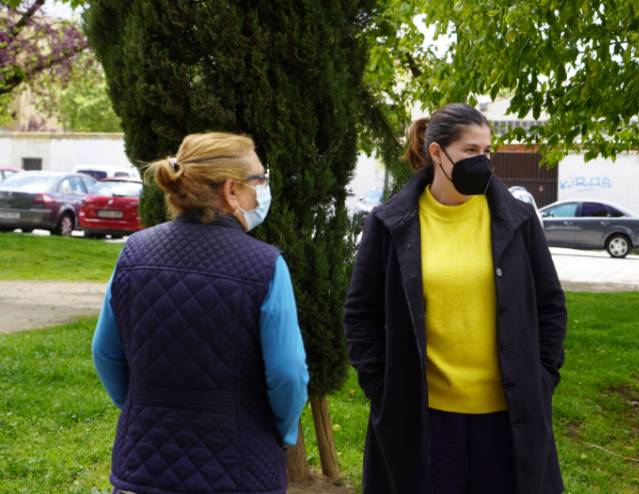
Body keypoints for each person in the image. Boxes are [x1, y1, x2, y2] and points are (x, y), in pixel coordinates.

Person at [344, 104, 567, 494]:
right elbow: (361, 314)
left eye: (487, 151)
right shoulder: (390, 223)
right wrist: (382, 387)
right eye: (470, 150)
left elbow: (550, 304)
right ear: (437, 153)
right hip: (426, 418)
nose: (483, 161)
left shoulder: (517, 219)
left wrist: (543, 377)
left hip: (507, 417)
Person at [92, 132, 309, 494]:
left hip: (143, 464)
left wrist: (139, 407)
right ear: (231, 190)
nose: (264, 189)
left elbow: (105, 352)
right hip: (239, 466)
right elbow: (287, 373)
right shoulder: (266, 266)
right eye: (260, 179)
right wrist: (282, 431)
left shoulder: (133, 253)